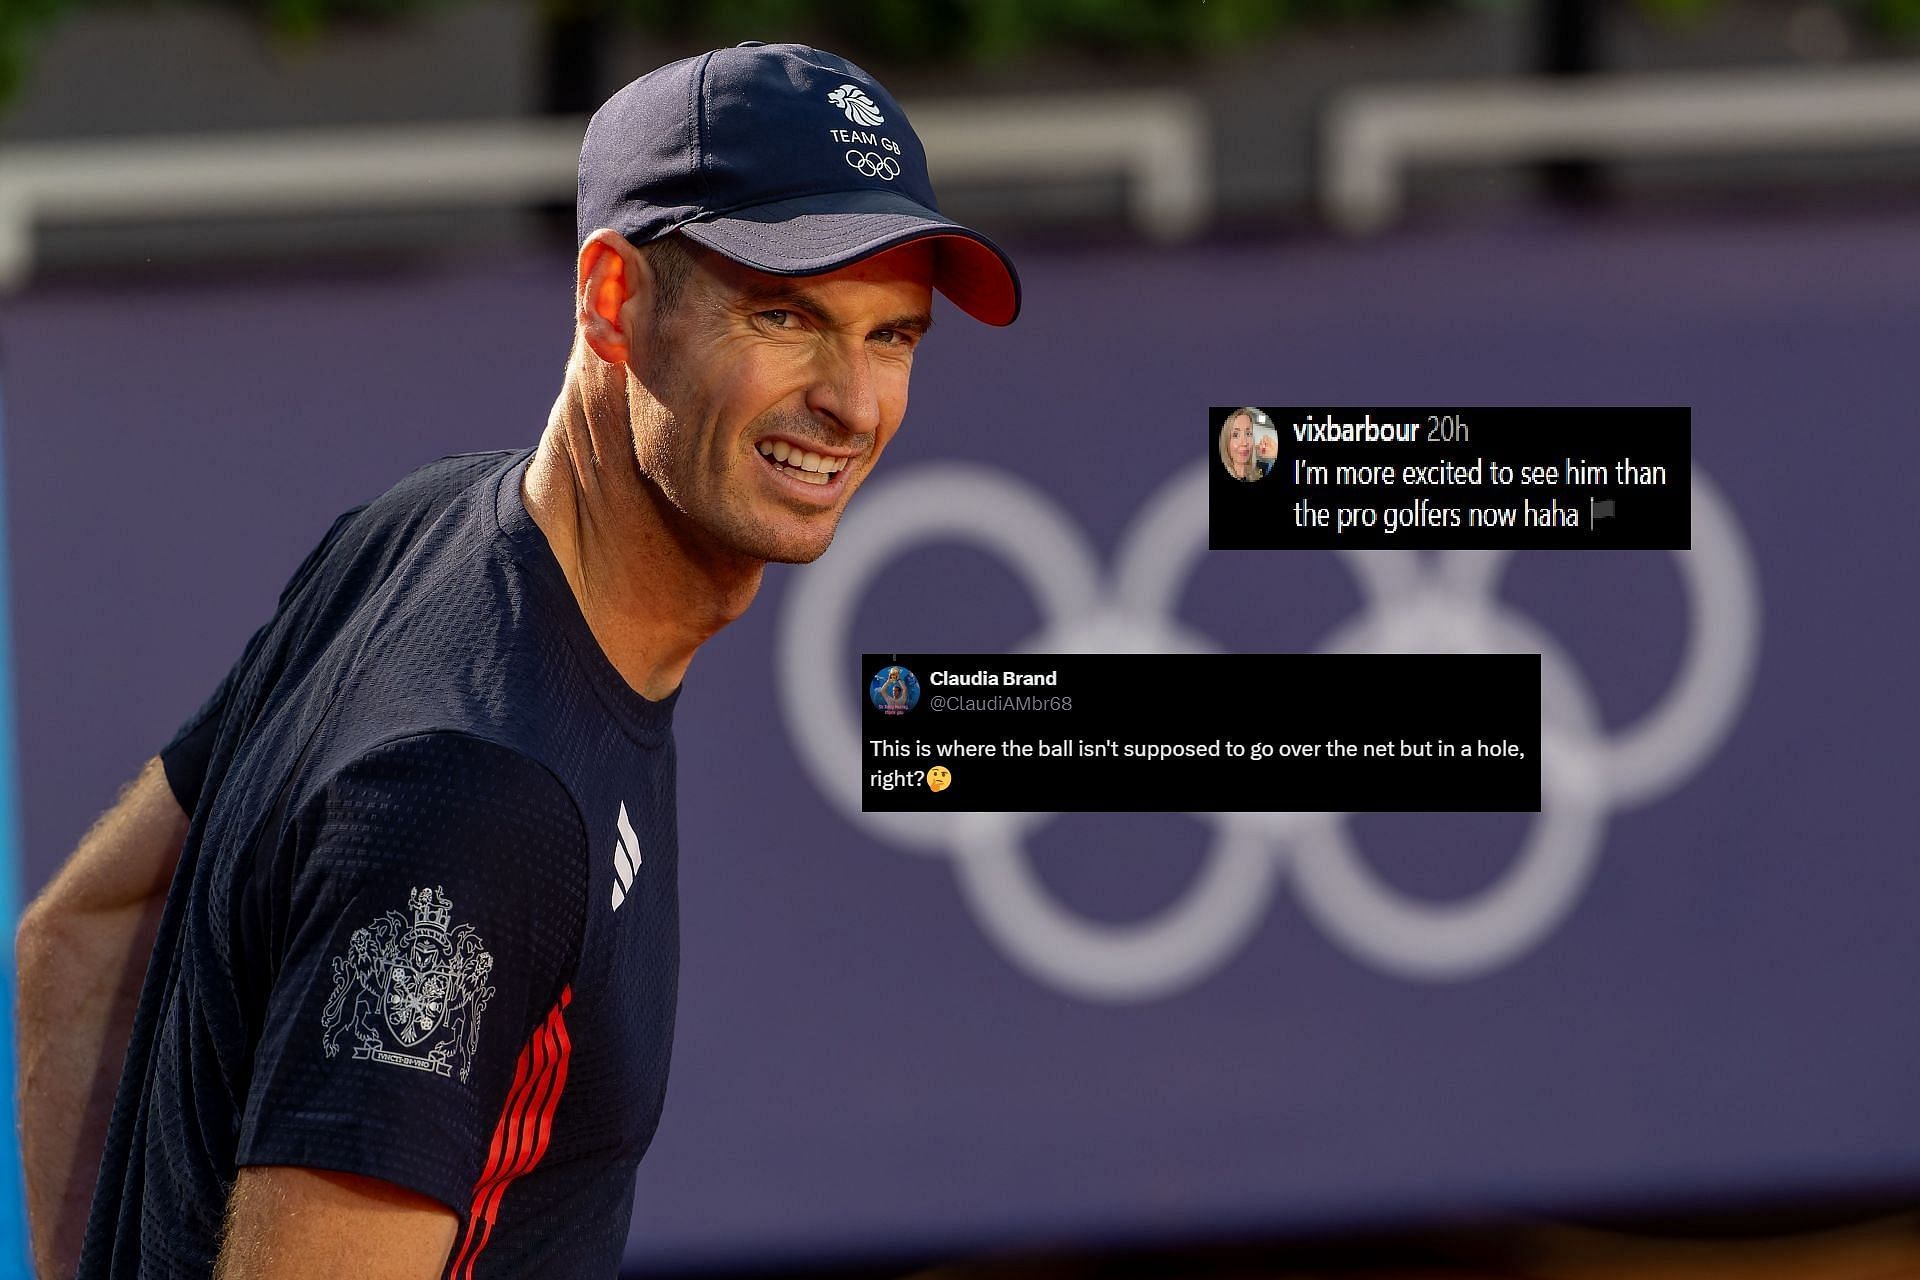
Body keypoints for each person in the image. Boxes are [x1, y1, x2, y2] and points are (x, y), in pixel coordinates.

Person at [14, 41, 1019, 1280]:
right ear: (612, 299)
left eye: (892, 337)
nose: (852, 402)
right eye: (785, 316)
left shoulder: (420, 524)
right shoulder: (482, 801)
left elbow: (84, 932)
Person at [1218, 407, 1261, 482]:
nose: (1244, 443)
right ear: (1226, 441)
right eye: (1235, 435)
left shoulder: (1257, 474)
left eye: (1248, 433)